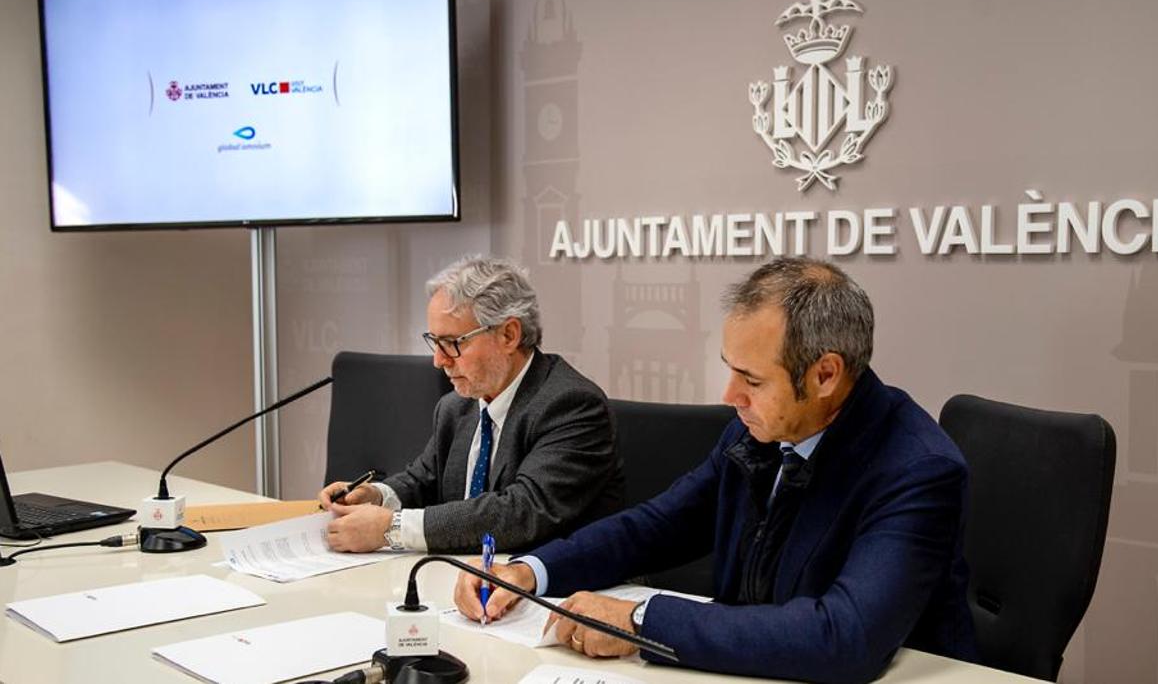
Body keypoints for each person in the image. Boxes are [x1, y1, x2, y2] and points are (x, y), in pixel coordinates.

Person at [453, 257, 977, 683]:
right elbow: (656, 527)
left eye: (751, 378)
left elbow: (845, 636)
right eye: (730, 370)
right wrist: (528, 571)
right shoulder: (761, 430)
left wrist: (639, 622)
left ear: (824, 375)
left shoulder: (917, 470)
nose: (730, 397)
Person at [319, 255, 625, 554]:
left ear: (508, 334)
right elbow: (423, 480)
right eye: (434, 342)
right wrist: (376, 497)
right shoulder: (457, 406)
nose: (439, 361)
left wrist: (392, 528)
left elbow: (520, 512)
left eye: (453, 343)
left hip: (561, 589)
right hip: (467, 581)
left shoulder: (571, 405)